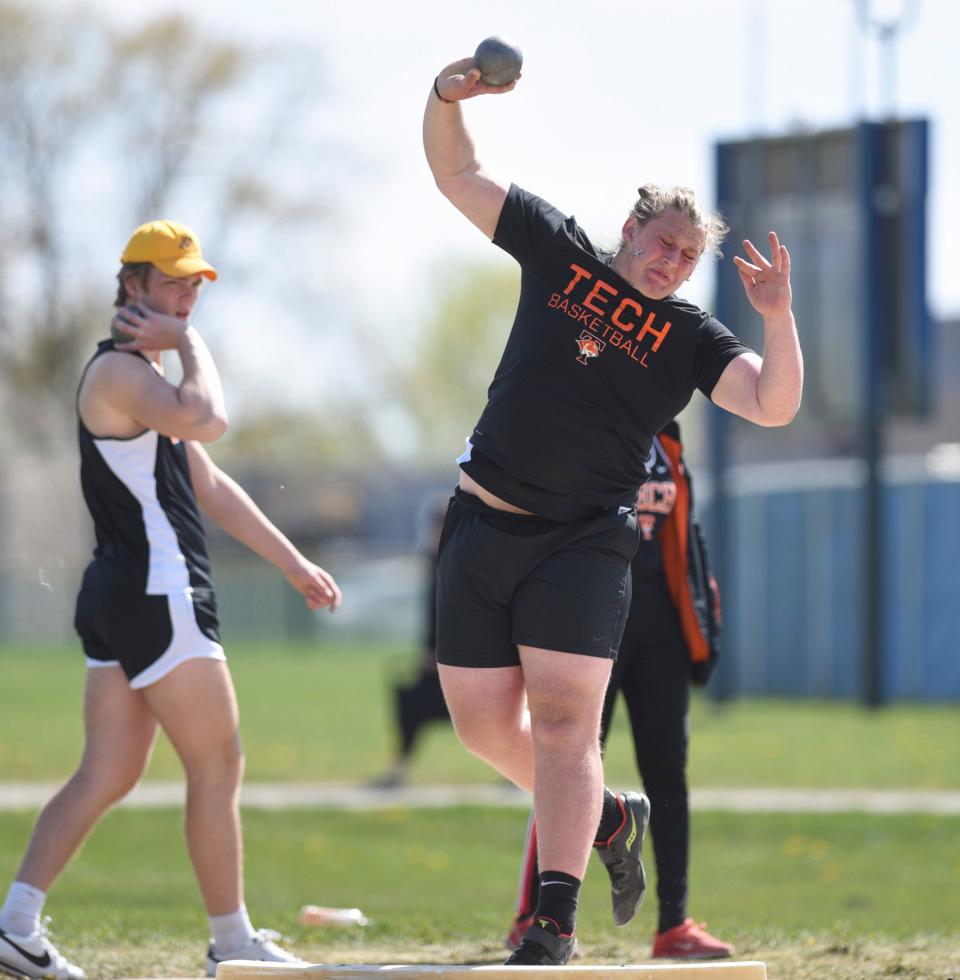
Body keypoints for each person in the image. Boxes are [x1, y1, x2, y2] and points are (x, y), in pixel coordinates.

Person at [424, 55, 802, 967]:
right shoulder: (557, 251)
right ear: (630, 227)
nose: (671, 262)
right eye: (662, 242)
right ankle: (605, 815)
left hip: (584, 543)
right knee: (480, 725)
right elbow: (455, 173)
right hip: (481, 522)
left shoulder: (690, 337)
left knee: (563, 724)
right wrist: (447, 99)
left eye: (687, 256)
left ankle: (555, 919)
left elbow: (773, 404)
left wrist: (777, 317)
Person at [0, 220, 342, 980]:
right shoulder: (125, 374)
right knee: (218, 761)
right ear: (133, 286)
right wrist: (191, 345)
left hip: (124, 589)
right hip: (159, 587)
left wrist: (292, 563)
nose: (187, 295)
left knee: (109, 771)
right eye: (173, 281)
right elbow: (210, 418)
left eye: (194, 283)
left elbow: (208, 483)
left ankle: (16, 924)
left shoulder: (145, 381)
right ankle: (233, 940)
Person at [505, 420, 734, 961]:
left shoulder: (669, 436)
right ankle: (532, 918)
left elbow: (686, 531)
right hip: (595, 620)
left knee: (668, 775)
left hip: (662, 627)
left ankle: (673, 927)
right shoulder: (590, 417)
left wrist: (703, 618)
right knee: (567, 763)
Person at [372, 494, 450, 788]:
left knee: (415, 705)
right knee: (410, 705)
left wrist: (442, 654)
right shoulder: (435, 561)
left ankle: (397, 771)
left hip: (456, 657)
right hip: (436, 656)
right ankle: (397, 770)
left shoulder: (456, 564)